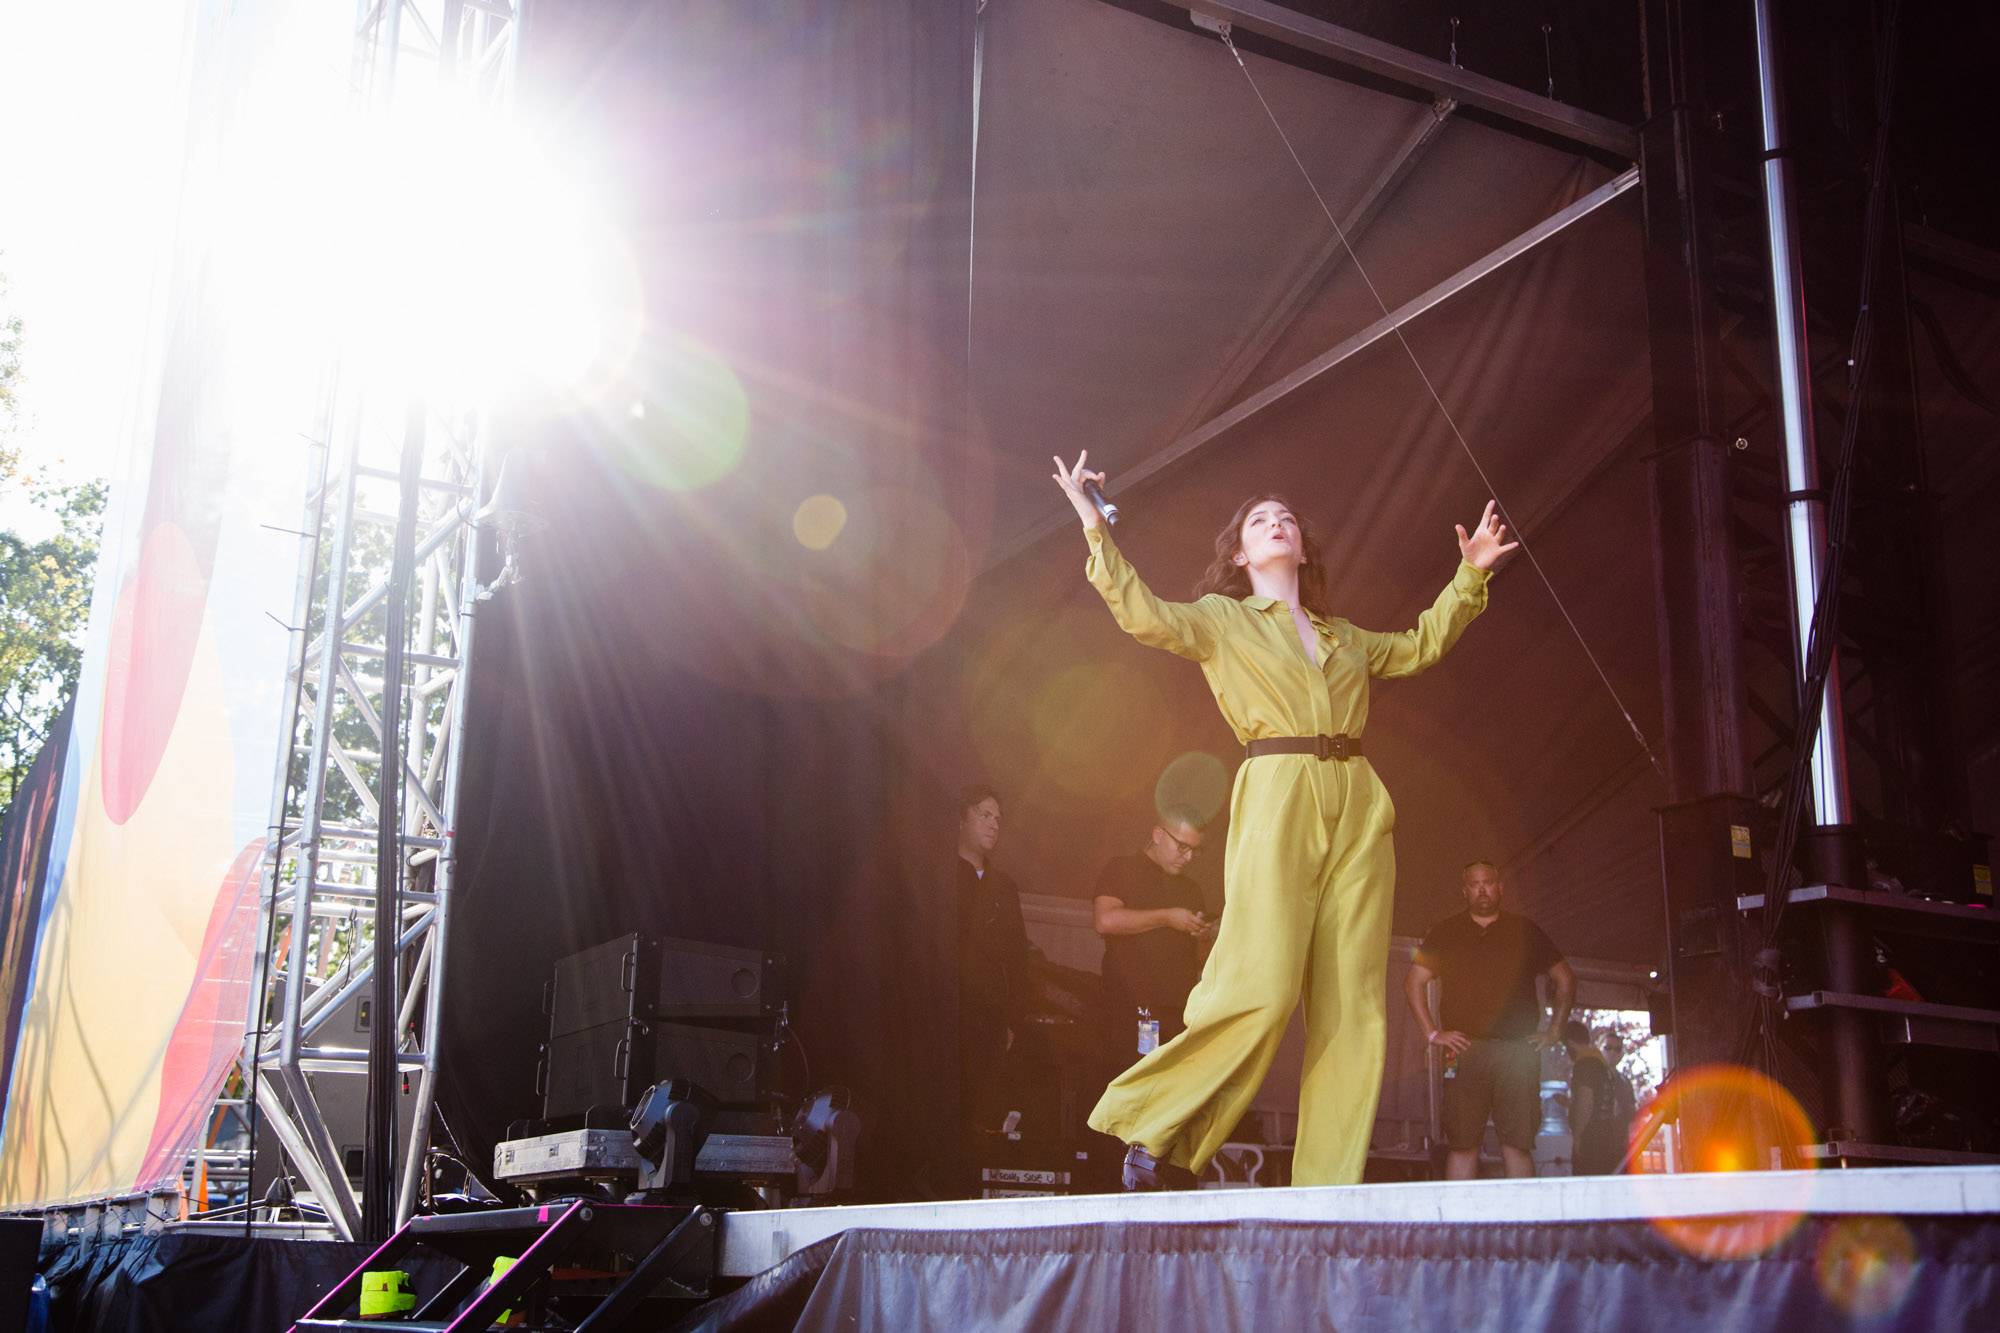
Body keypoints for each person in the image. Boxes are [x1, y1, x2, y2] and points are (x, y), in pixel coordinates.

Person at [1052, 451, 1514, 1189]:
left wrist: (1472, 575)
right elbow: (1144, 614)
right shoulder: (1223, 620)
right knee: (1260, 988)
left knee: (1354, 1007)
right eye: (1260, 521)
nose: (1277, 524)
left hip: (1358, 801)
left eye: (1287, 520)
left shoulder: (1344, 637)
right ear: (1241, 552)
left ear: (1300, 548)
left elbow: (1421, 644)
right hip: (1276, 788)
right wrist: (1093, 525)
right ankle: (1153, 1123)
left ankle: (1327, 1187)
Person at [1405, 860, 1575, 1179]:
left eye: (1489, 882)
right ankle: (1459, 1227)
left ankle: (1523, 1226)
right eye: (1475, 883)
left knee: (1518, 1144)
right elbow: (1412, 981)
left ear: (1500, 888)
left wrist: (1555, 1031)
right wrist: (1432, 1034)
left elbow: (1565, 978)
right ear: (1465, 890)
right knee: (1462, 1143)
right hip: (1464, 1048)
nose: (1482, 889)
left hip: (1517, 1049)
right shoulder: (1446, 931)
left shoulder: (1525, 930)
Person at [1093, 808, 1214, 1049]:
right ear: (1158, 835)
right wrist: (1167, 917)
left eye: (1194, 850)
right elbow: (1104, 921)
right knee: (1139, 1077)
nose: (1188, 857)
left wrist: (1202, 937)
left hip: (1179, 1013)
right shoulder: (1121, 869)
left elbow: (1200, 961)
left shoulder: (1191, 889)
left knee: (1172, 1084)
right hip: (1134, 1010)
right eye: (1182, 846)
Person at [954, 785, 1031, 1134]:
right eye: (984, 814)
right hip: (947, 1018)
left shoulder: (1004, 886)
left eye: (998, 819)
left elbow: (1018, 958)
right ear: (961, 818)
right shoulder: (938, 879)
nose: (993, 825)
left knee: (983, 1116)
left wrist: (1012, 1020)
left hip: (990, 1021)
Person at [1563, 1022, 1622, 1175]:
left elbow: (1586, 1102)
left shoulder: (1585, 1064)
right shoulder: (1600, 1064)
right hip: (1606, 1138)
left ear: (1570, 1043)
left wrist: (1577, 1137)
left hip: (1591, 1141)